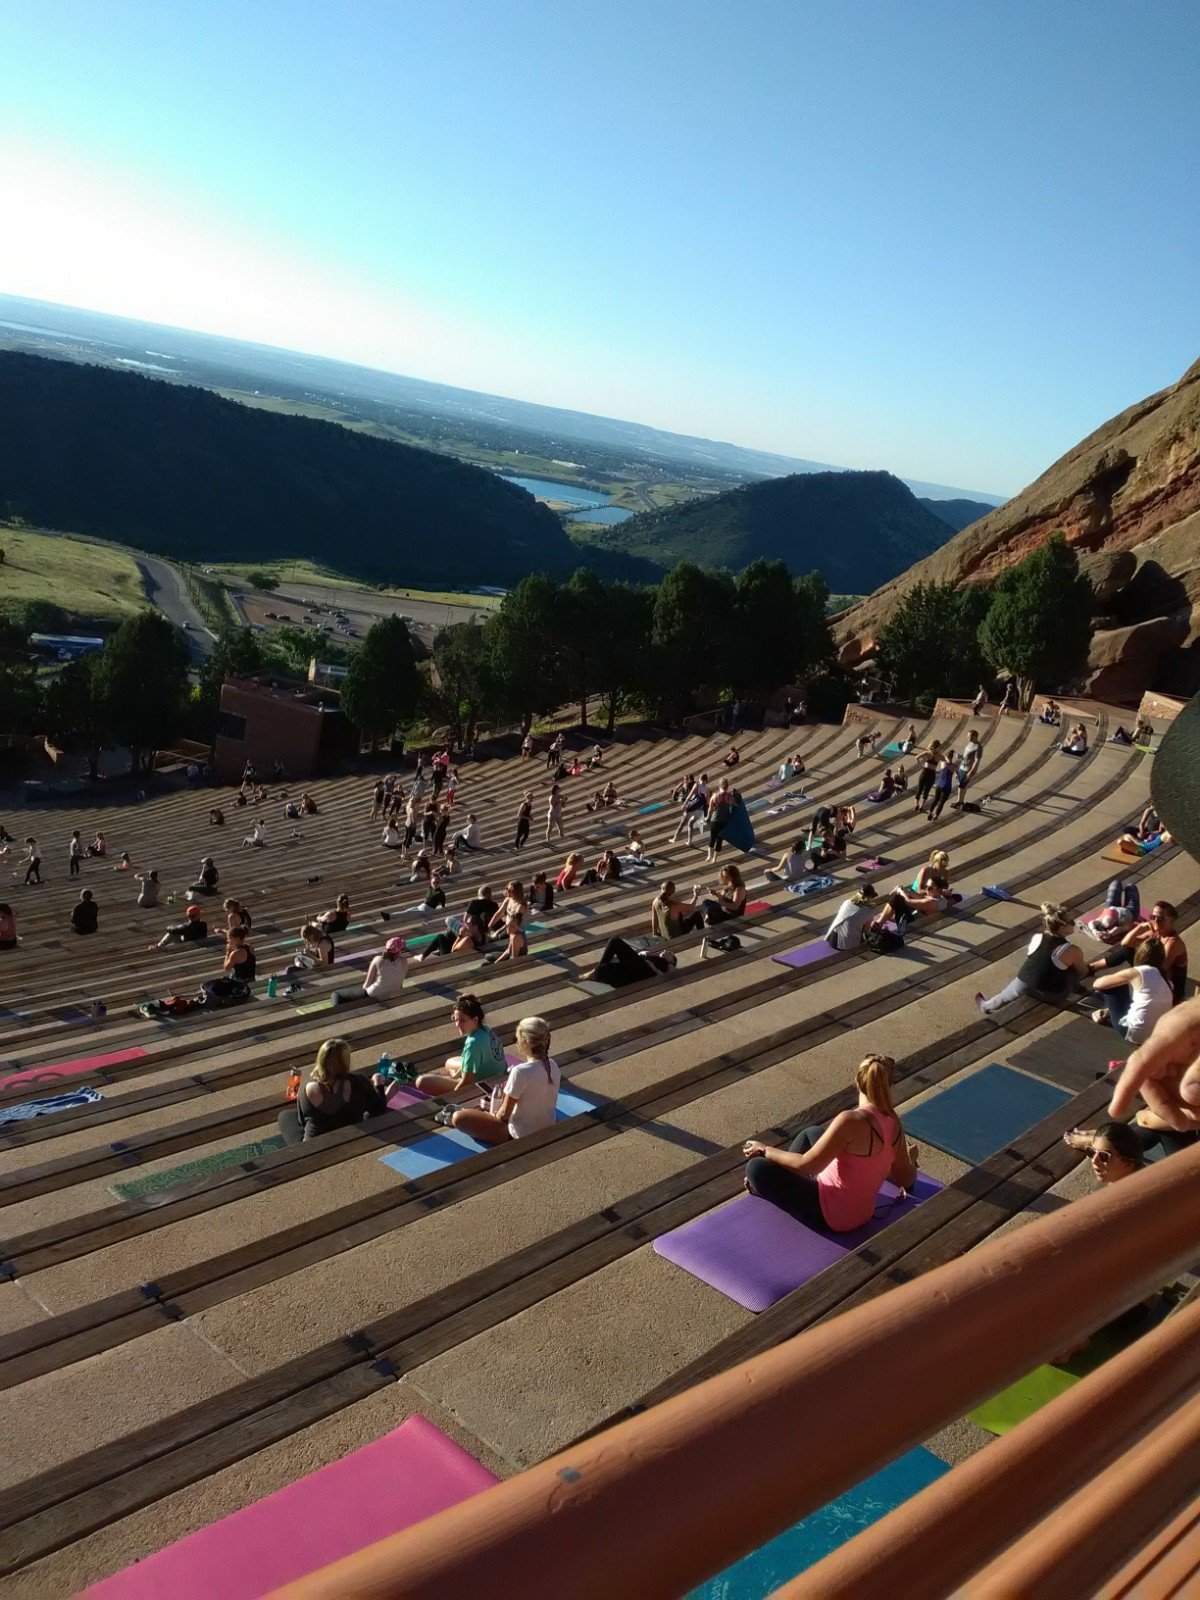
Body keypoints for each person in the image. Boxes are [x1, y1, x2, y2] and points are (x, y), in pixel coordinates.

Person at [743, 1053, 919, 1230]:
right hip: (862, 1213)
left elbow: (808, 1165)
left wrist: (764, 1149)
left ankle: (775, 1182)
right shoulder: (894, 1122)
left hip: (830, 1215)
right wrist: (909, 1161)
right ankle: (784, 1176)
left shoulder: (849, 1120)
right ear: (889, 1084)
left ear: (857, 1082)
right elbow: (906, 1179)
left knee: (755, 1168)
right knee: (812, 1133)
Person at [437, 1016, 562, 1141]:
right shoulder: (553, 1065)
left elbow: (503, 1115)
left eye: (516, 1039)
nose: (516, 1042)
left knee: (459, 1117)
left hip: (519, 1135)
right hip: (547, 1127)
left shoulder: (520, 1072)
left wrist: (490, 1114)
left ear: (525, 1042)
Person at [277, 1038, 392, 1146]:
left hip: (314, 1147)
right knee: (364, 1111)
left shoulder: (306, 1087)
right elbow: (379, 1110)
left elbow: (302, 1121)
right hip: (351, 1138)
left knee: (285, 1115)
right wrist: (379, 1084)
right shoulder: (359, 1082)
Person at [975, 902, 1088, 1012]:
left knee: (1004, 996)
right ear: (1062, 927)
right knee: (1071, 969)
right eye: (1071, 921)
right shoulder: (1071, 950)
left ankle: (985, 1006)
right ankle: (1077, 989)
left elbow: (1035, 958)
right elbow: (1083, 972)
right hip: (1053, 994)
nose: (1074, 923)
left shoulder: (1037, 937)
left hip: (1024, 982)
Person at [413, 994, 507, 1096]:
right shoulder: (485, 1029)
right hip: (500, 1077)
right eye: (456, 1019)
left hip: (484, 1088)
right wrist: (454, 1077)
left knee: (422, 1081)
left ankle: (446, 1079)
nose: (457, 1025)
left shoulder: (473, 1043)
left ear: (475, 1020)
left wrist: (453, 1098)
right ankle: (450, 1078)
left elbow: (466, 1082)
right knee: (449, 1063)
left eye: (462, 1020)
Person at [1091, 937, 1174, 1043]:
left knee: (1113, 986)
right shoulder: (1167, 980)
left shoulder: (1139, 971)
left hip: (1133, 1032)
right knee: (1135, 990)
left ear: (1139, 955)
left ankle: (1104, 1015)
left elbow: (1098, 984)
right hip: (1155, 1034)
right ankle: (1109, 1012)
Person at [581, 939, 677, 988]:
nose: (665, 951)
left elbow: (669, 978)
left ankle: (593, 973)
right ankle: (596, 971)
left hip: (646, 972)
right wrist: (641, 954)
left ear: (671, 961)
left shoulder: (669, 965)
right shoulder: (655, 957)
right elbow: (636, 960)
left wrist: (655, 970)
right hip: (636, 969)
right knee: (602, 968)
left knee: (616, 941)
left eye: (669, 953)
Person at [825, 883, 880, 950]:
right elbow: (865, 931)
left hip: (832, 939)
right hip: (846, 945)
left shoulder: (846, 902)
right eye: (873, 897)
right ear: (868, 897)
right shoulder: (869, 911)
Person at [704, 778, 736, 865]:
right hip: (724, 821)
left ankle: (709, 856)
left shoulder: (715, 796)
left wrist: (707, 818)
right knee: (719, 840)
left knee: (712, 838)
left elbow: (710, 809)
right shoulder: (730, 796)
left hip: (715, 820)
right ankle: (714, 859)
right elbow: (734, 805)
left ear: (719, 785)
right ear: (727, 786)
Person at [672, 773, 709, 846]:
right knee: (690, 824)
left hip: (691, 807)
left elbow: (690, 795)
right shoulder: (707, 789)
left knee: (682, 823)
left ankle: (674, 838)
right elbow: (707, 802)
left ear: (699, 778)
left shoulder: (697, 785)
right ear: (706, 780)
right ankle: (689, 842)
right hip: (700, 810)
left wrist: (684, 804)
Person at [953, 730, 982, 808]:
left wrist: (971, 772)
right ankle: (960, 801)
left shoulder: (978, 747)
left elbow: (977, 761)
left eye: (970, 736)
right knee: (961, 785)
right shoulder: (970, 743)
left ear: (975, 736)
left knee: (961, 785)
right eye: (968, 736)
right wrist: (961, 756)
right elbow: (967, 755)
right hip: (962, 766)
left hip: (967, 769)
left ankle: (959, 801)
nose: (968, 737)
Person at [925, 749, 957, 821]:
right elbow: (957, 774)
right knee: (941, 803)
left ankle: (930, 812)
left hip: (939, 784)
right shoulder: (954, 767)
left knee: (936, 799)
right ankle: (936, 815)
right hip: (946, 786)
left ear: (946, 757)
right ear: (952, 758)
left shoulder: (942, 763)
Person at [912, 741, 941, 815]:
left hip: (929, 774)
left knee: (925, 791)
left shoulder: (939, 755)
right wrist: (920, 765)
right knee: (921, 789)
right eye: (938, 747)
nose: (939, 749)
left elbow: (946, 762)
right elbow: (917, 757)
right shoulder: (928, 753)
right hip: (926, 773)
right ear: (936, 747)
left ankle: (920, 806)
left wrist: (941, 769)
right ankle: (917, 805)